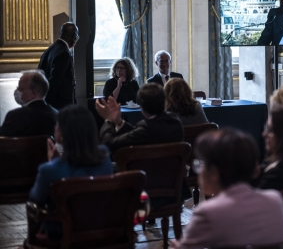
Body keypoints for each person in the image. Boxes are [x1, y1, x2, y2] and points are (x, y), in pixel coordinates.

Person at [171, 129, 283, 248]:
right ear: (255, 169)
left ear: (213, 173)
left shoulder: (208, 212)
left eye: (200, 164)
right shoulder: (275, 200)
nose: (198, 171)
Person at [29, 106, 112, 239]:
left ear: (61, 134)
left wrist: (52, 163)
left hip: (62, 235)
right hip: (101, 231)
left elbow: (35, 200)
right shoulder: (105, 159)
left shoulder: (49, 170)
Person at [95, 83, 184, 153]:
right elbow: (136, 133)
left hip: (143, 175)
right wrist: (119, 122)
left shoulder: (146, 129)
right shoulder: (175, 121)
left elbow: (108, 144)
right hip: (173, 174)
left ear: (142, 108)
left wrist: (108, 120)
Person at [0, 71, 57, 137]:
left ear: (33, 93)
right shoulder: (57, 116)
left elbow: (3, 142)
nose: (17, 90)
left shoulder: (15, 116)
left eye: (21, 88)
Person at [37, 22, 79, 109]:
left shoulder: (50, 49)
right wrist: (47, 105)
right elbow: (55, 82)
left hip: (49, 102)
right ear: (74, 36)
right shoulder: (64, 53)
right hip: (60, 106)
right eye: (77, 35)